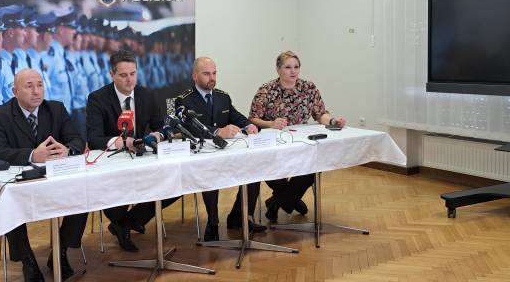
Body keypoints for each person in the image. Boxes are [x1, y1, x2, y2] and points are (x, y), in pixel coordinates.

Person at [0, 69, 86, 282]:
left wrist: (67, 149)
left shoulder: (55, 109)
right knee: (8, 198)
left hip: (56, 180)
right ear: (15, 91)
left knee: (83, 190)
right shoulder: (0, 115)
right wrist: (32, 155)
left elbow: (76, 139)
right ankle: (27, 260)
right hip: (22, 181)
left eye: (40, 85)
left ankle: (60, 251)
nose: (36, 91)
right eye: (29, 86)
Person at [247, 50, 346, 220]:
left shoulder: (308, 88)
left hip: (301, 141)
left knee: (314, 165)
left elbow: (320, 114)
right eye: (288, 67)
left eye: (296, 67)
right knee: (272, 174)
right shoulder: (266, 90)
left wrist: (333, 121)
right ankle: (289, 200)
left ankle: (278, 201)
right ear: (278, 69)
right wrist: (271, 124)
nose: (293, 71)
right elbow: (253, 119)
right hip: (275, 143)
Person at [172, 57, 260, 241]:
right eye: (206, 74)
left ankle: (239, 216)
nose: (212, 78)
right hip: (201, 153)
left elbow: (235, 116)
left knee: (254, 167)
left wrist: (248, 125)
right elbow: (188, 128)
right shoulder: (183, 100)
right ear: (195, 76)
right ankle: (213, 222)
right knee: (210, 173)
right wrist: (218, 131)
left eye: (214, 73)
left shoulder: (222, 96)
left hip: (226, 150)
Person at [85, 49, 164, 252]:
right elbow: (93, 138)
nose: (130, 80)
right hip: (112, 162)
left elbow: (161, 127)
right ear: (112, 75)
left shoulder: (147, 95)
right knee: (110, 189)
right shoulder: (97, 98)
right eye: (123, 75)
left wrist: (157, 136)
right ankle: (124, 223)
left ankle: (125, 223)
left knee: (173, 180)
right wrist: (120, 142)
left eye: (133, 74)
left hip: (142, 157)